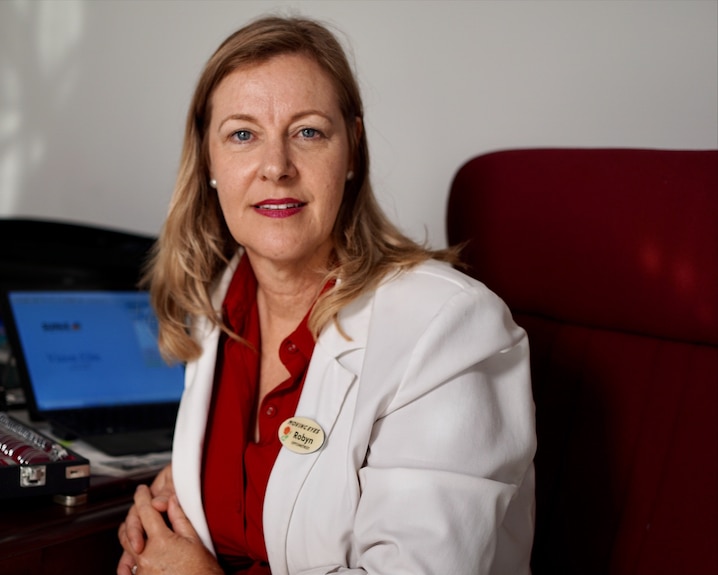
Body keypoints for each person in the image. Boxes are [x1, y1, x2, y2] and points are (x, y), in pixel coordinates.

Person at [117, 15, 536, 575]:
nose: (276, 168)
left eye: (308, 132)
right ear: (209, 160)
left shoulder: (447, 325)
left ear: (352, 150)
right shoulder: (219, 299)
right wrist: (172, 509)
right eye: (242, 134)